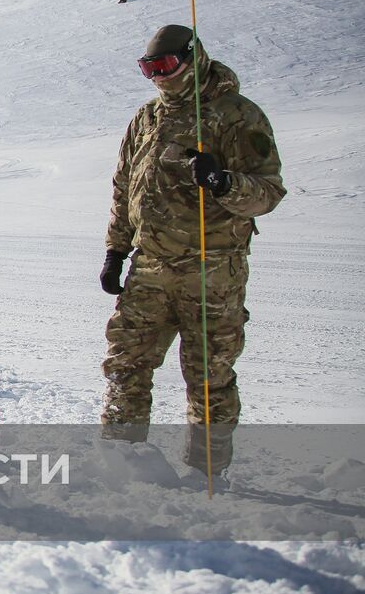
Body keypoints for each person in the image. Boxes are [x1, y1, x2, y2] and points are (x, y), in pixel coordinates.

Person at [99, 24, 285, 473]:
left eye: (164, 66)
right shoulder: (146, 119)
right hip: (149, 271)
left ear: (192, 58)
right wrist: (116, 251)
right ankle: (120, 462)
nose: (157, 77)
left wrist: (224, 183)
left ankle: (207, 473)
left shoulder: (236, 115)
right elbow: (125, 190)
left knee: (209, 378)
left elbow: (268, 193)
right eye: (148, 68)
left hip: (212, 273)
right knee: (125, 363)